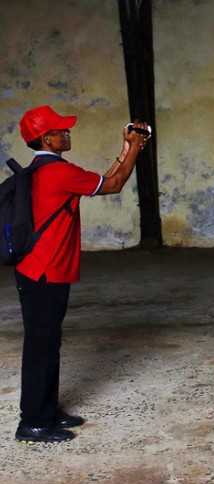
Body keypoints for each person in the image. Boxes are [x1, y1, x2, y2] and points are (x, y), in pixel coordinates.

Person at [14, 105, 150, 443]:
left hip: (38, 269)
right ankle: (32, 422)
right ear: (47, 137)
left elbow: (105, 178)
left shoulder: (43, 169)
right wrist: (134, 148)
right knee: (41, 347)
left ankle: (46, 411)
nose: (67, 133)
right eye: (62, 130)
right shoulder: (58, 173)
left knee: (47, 343)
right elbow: (115, 184)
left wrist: (127, 147)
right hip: (44, 272)